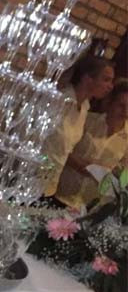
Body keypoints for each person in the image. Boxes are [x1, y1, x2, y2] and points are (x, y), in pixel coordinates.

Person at [44, 56, 116, 199]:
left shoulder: (84, 107)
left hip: (50, 184)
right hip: (30, 177)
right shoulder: (60, 101)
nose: (110, 86)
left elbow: (65, 150)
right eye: (106, 79)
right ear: (87, 78)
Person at [53, 79, 128, 208]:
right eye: (121, 105)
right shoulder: (87, 120)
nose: (125, 111)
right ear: (109, 102)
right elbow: (61, 150)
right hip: (60, 195)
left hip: (90, 208)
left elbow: (123, 176)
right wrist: (87, 168)